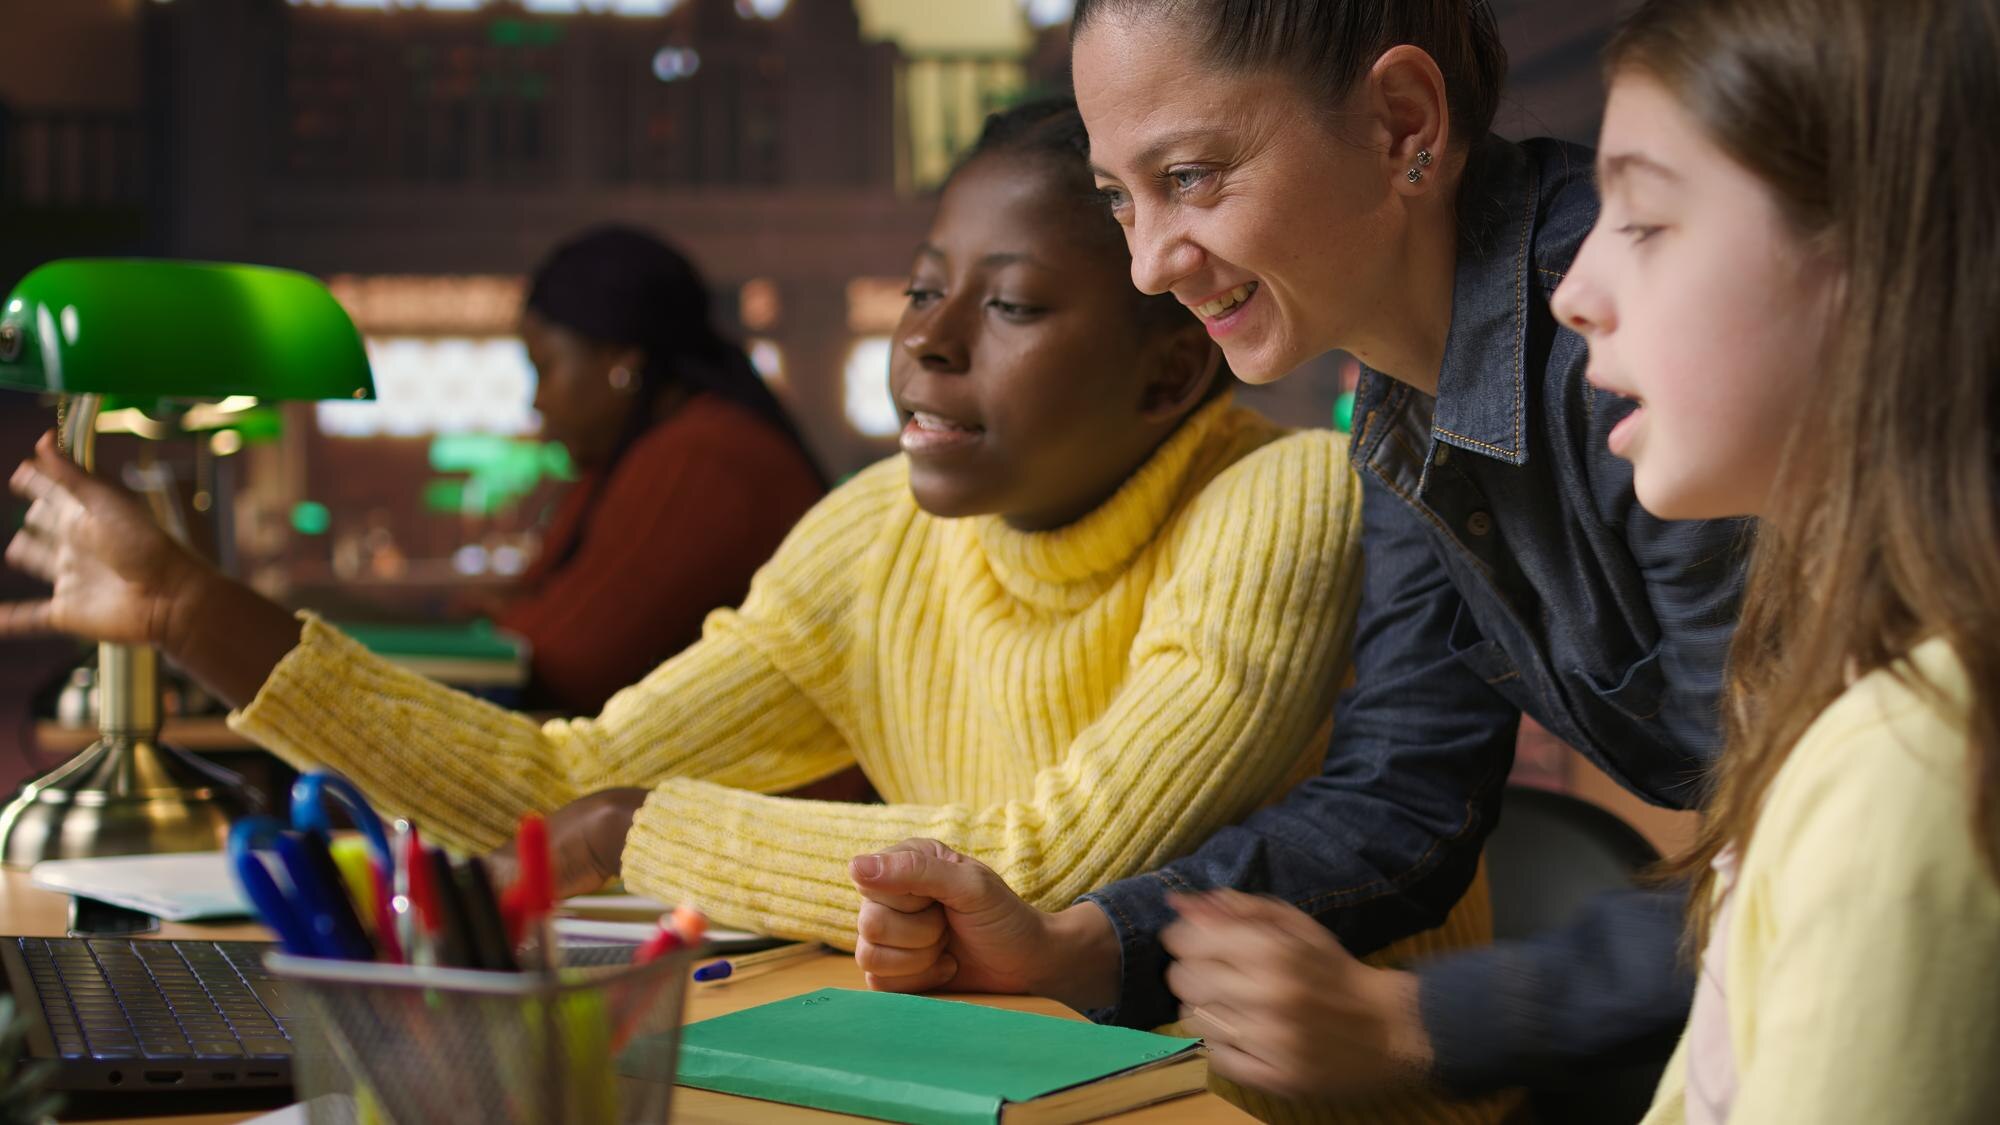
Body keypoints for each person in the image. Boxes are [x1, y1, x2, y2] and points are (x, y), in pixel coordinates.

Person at [2, 101, 1430, 974]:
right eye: (925, 288)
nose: (922, 343)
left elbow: (1044, 862)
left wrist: (645, 833)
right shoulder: (874, 533)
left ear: (1169, 375)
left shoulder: (1279, 494)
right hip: (1020, 1073)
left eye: (1007, 306)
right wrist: (188, 606)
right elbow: (553, 785)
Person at [845, 0, 1752, 1108]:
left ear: (1397, 122)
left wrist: (1413, 1020)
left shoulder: (1628, 357)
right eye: (1117, 199)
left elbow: (1814, 862)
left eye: (1188, 177)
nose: (1145, 264)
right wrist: (1076, 944)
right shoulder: (1393, 391)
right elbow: (1401, 794)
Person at [1550, 0, 2000, 1120]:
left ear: (1877, 260)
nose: (1572, 293)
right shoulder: (1845, 683)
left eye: (1644, 222)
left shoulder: (1910, 755)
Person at [491, 226, 825, 715]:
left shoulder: (704, 459)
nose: (537, 400)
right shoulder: (639, 453)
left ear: (621, 364)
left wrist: (505, 616)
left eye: (545, 368)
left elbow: (566, 662)